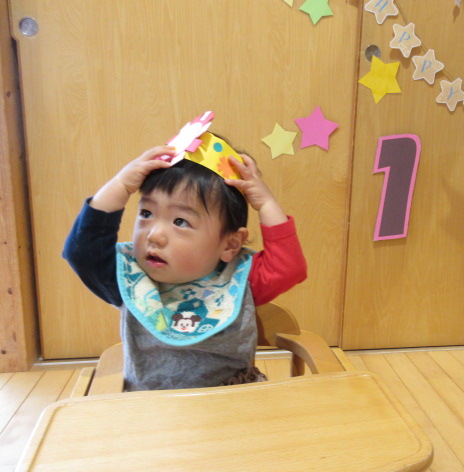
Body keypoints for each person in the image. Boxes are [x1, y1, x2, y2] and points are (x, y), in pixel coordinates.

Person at [63, 139, 307, 391]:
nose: (155, 235)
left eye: (180, 221)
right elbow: (82, 252)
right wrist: (120, 185)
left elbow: (289, 268)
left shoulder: (240, 276)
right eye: (146, 213)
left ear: (230, 244)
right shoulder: (129, 276)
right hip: (149, 407)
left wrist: (266, 204)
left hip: (231, 403)